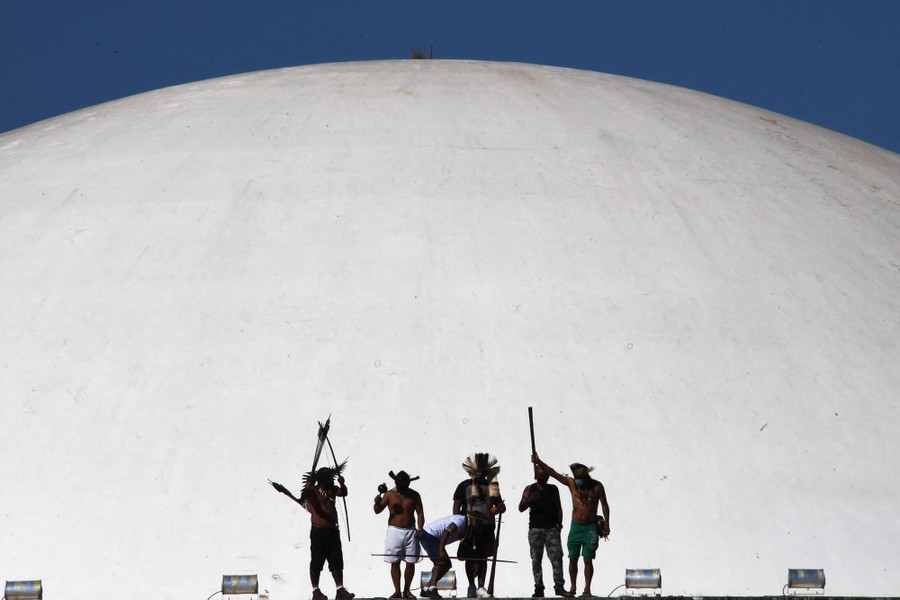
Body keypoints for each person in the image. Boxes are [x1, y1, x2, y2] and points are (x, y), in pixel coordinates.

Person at [270, 462, 355, 600]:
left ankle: (340, 589)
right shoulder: (314, 491)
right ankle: (316, 591)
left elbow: (343, 492)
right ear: (322, 480)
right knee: (317, 561)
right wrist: (307, 489)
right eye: (329, 478)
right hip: (319, 532)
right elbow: (305, 496)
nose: (331, 480)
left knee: (336, 561)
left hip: (333, 531)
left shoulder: (332, 490)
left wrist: (342, 483)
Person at [531, 454, 610, 598]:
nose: (579, 483)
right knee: (572, 558)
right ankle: (573, 588)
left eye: (581, 480)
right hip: (576, 527)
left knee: (588, 559)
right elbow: (553, 473)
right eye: (577, 479)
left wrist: (607, 524)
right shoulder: (572, 483)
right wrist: (539, 462)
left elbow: (604, 505)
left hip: (590, 527)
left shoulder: (597, 487)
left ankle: (587, 589)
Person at [452, 453, 507, 598]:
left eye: (483, 472)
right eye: (478, 472)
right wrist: (459, 525)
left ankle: (481, 586)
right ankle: (471, 585)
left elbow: (500, 505)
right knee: (471, 557)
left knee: (483, 557)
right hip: (470, 528)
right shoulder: (464, 486)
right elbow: (456, 508)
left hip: (487, 526)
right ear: (473, 471)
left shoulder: (492, 487)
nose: (481, 474)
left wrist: (500, 507)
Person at [374, 470, 426, 599]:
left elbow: (420, 513)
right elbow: (377, 510)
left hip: (410, 531)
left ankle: (407, 591)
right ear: (397, 483)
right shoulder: (389, 495)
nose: (404, 487)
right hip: (394, 531)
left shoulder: (414, 495)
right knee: (395, 562)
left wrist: (420, 529)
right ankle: (397, 591)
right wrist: (376, 502)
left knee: (410, 562)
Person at [519, 465, 568, 597]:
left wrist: (559, 525)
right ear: (536, 475)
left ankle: (559, 586)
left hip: (552, 528)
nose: (542, 477)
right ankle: (539, 587)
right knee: (536, 559)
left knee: (557, 557)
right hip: (535, 529)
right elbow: (521, 507)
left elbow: (559, 507)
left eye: (545, 475)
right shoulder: (530, 489)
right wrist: (530, 500)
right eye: (540, 474)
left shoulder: (553, 489)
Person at [418, 513, 468, 598]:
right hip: (430, 535)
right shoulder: (461, 521)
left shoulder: (467, 528)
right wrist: (441, 550)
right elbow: (445, 533)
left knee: (445, 563)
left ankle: (426, 588)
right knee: (442, 561)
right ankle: (432, 588)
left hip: (430, 537)